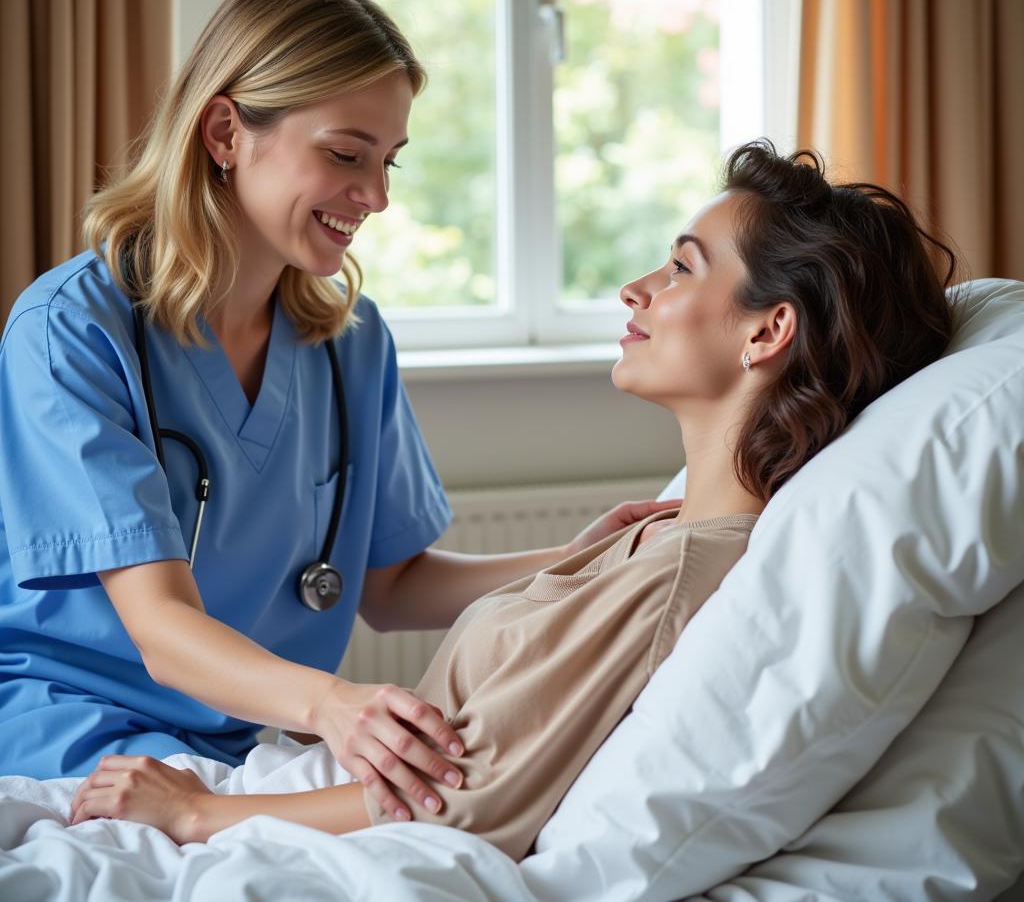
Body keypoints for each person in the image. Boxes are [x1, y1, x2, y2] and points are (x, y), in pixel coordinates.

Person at [67, 140, 960, 860]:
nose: (635, 288)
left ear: (768, 331)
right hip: (151, 731)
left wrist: (194, 816)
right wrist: (577, 557)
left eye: (682, 268)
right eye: (349, 154)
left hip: (295, 802)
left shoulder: (687, 570)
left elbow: (460, 798)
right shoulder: (663, 543)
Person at [0, 0, 669, 824]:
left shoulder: (349, 344)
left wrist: (585, 557)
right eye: (346, 155)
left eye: (388, 162)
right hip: (80, 738)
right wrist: (332, 706)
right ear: (225, 133)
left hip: (254, 741)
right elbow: (161, 628)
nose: (378, 197)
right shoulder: (72, 333)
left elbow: (389, 586)